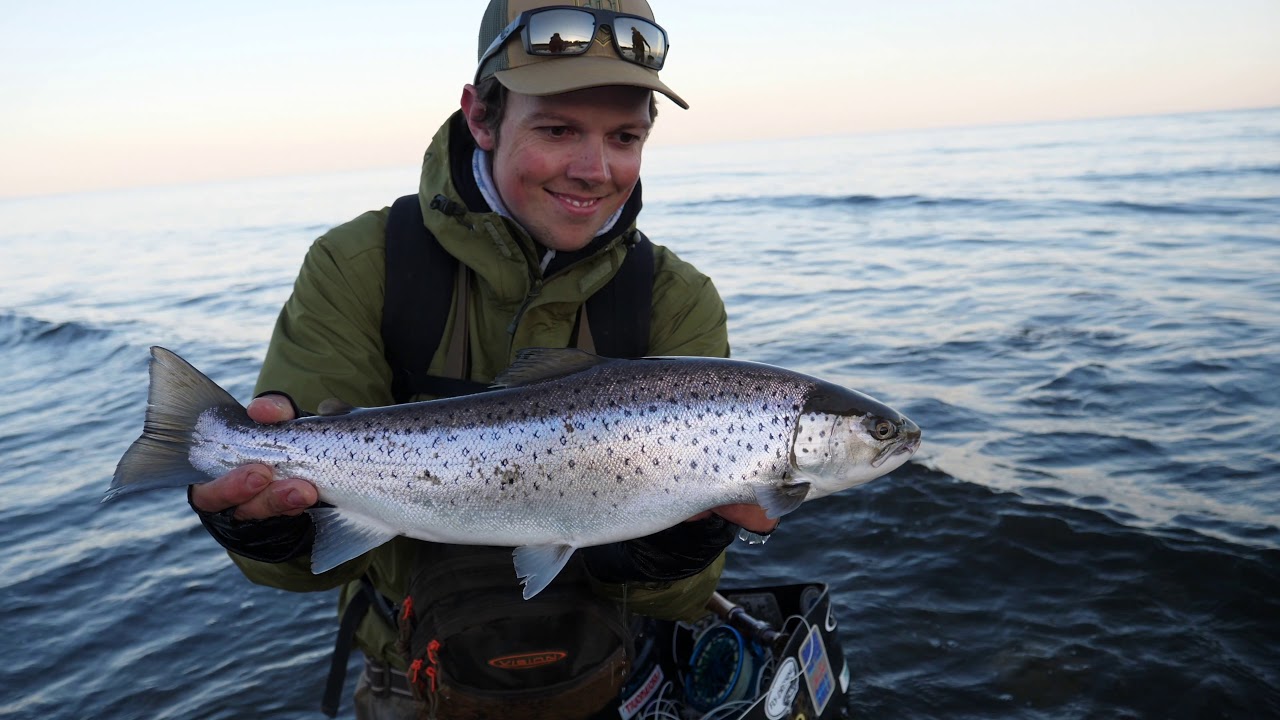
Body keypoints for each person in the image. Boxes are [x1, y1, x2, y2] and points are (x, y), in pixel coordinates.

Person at [187, 1, 776, 717]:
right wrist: (268, 529)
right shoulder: (359, 264)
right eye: (557, 129)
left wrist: (676, 549)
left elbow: (679, 596)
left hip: (605, 670)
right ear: (480, 116)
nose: (594, 169)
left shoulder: (678, 297)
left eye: (625, 135)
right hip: (415, 678)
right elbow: (299, 570)